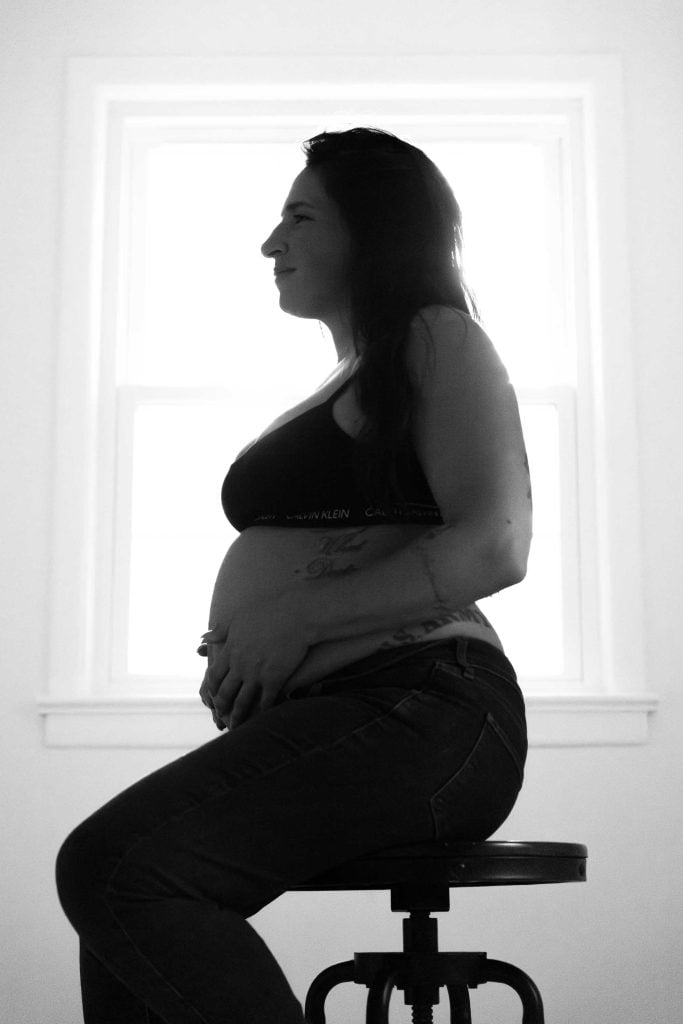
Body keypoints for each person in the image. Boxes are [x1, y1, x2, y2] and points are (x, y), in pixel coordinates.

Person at [56, 127, 533, 1024]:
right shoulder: (351, 378)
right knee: (119, 906)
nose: (271, 243)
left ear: (374, 229)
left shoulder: (437, 336)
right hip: (362, 711)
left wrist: (295, 618)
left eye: (299, 216)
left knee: (115, 867)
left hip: (426, 710)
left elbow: (494, 543)